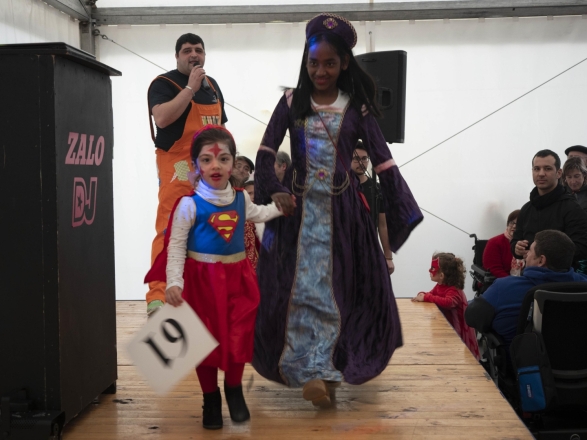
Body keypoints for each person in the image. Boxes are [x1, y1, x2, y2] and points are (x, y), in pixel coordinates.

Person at [252, 13, 423, 407]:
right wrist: (274, 189)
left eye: (329, 63)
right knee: (299, 291)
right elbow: (265, 151)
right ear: (305, 61)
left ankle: (328, 370)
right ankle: (311, 369)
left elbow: (383, 160)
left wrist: (400, 205)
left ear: (345, 62)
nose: (320, 71)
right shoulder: (290, 102)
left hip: (344, 216)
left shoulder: (356, 108)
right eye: (314, 63)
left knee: (339, 291)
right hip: (296, 216)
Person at [145, 126, 284, 429]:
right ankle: (210, 398)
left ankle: (234, 390)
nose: (215, 166)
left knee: (239, 336)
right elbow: (176, 247)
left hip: (238, 280)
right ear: (195, 165)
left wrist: (278, 209)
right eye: (207, 160)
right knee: (203, 342)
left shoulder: (240, 199)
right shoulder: (189, 204)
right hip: (202, 285)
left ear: (234, 162)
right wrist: (174, 283)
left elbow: (258, 214)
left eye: (223, 158)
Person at [146, 33, 227, 316]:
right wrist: (190, 88)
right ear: (177, 56)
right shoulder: (164, 83)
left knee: (207, 230)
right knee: (171, 230)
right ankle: (158, 297)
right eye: (187, 50)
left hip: (209, 170)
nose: (194, 54)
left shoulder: (212, 86)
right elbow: (162, 118)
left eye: (199, 50)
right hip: (178, 169)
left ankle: (196, 296)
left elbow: (222, 129)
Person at [466, 230, 587, 347]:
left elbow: (472, 317)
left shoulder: (504, 288)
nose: (527, 254)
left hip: (519, 359)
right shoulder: (582, 285)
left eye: (531, 250)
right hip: (577, 359)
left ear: (541, 260)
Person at [511, 149, 587, 267]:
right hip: (530, 274)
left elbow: (581, 247)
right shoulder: (526, 209)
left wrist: (544, 256)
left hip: (561, 276)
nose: (541, 173)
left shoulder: (572, 208)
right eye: (537, 169)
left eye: (547, 168)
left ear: (559, 173)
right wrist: (517, 248)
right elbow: (515, 241)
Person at [412, 253, 479, 359]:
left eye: (432, 268)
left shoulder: (454, 289)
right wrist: (423, 294)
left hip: (457, 331)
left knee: (455, 356)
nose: (429, 270)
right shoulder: (440, 285)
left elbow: (448, 302)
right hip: (447, 328)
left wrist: (427, 297)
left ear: (441, 275)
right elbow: (432, 294)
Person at [351, 141, 394, 274]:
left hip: (369, 250)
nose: (361, 162)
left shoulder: (377, 189)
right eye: (356, 158)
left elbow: (383, 225)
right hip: (346, 248)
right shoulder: (341, 187)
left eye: (364, 158)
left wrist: (388, 257)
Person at [482, 210, 524, 278]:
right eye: (511, 222)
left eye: (518, 223)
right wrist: (513, 282)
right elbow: (494, 270)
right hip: (500, 281)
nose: (514, 226)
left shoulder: (528, 243)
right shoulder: (494, 242)